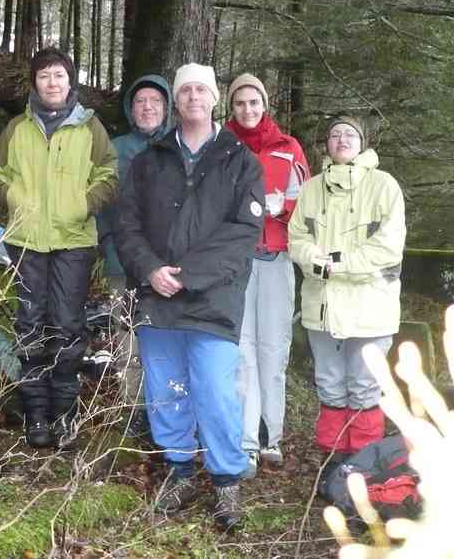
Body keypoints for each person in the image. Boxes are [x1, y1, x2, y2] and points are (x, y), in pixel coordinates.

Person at [116, 63, 264, 531]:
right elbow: (127, 224)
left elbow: (245, 231)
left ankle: (225, 481)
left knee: (216, 391)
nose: (193, 97)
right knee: (165, 391)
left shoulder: (241, 160)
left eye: (202, 89)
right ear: (176, 101)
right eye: (186, 91)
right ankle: (179, 470)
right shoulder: (149, 159)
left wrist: (190, 274)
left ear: (214, 98)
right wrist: (150, 269)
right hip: (157, 298)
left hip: (214, 300)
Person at [0, 47, 118, 449]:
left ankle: (64, 416)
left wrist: (83, 205)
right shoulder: (17, 128)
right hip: (25, 240)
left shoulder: (89, 128)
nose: (52, 83)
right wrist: (13, 199)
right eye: (44, 75)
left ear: (70, 82)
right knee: (30, 323)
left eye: (59, 75)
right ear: (34, 83)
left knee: (66, 325)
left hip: (73, 241)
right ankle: (35, 415)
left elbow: (109, 173)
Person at [288, 115, 405, 461]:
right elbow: (297, 238)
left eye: (349, 134)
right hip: (322, 309)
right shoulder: (311, 188)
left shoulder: (384, 186)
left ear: (362, 142)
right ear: (327, 144)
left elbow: (388, 247)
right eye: (335, 134)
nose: (341, 140)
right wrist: (314, 258)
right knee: (330, 384)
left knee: (365, 386)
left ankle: (364, 467)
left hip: (372, 309)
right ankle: (334, 462)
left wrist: (337, 264)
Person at [225, 73, 309, 477]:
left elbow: (308, 205)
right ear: (231, 107)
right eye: (240, 103)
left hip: (276, 257)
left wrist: (283, 210)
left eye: (253, 102)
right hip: (236, 261)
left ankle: (270, 435)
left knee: (273, 349)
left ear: (265, 104)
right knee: (241, 351)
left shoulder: (288, 148)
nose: (247, 110)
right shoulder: (221, 144)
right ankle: (245, 441)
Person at [95, 74, 174, 433]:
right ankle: (134, 410)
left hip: (167, 264)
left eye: (155, 102)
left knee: (164, 338)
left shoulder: (177, 145)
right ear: (130, 108)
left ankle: (167, 411)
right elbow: (101, 201)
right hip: (120, 261)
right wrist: (106, 241)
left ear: (166, 107)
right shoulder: (115, 148)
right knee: (127, 337)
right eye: (140, 101)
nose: (147, 108)